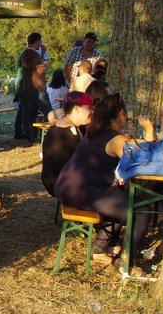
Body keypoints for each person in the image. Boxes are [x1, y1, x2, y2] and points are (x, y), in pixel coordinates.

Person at [53, 93, 156, 264]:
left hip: (66, 188)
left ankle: (100, 248)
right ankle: (126, 262)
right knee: (142, 210)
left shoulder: (94, 133)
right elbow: (144, 161)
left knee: (120, 197)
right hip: (83, 193)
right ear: (121, 115)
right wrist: (149, 130)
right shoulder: (116, 139)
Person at [41, 91, 94, 196]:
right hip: (67, 187)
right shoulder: (69, 134)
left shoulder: (60, 127)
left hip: (57, 183)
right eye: (89, 108)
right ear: (77, 109)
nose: (92, 112)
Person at [13, 48, 47, 141]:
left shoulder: (25, 67)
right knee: (31, 113)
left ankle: (27, 133)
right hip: (31, 91)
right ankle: (31, 134)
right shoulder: (35, 69)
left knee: (26, 113)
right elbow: (40, 81)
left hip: (24, 90)